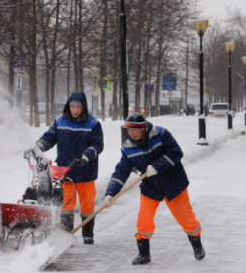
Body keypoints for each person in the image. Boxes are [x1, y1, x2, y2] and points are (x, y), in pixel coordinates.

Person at [104, 113, 205, 265]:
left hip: (173, 182)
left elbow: (176, 153)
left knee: (185, 217)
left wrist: (157, 166)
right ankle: (144, 253)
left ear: (142, 127)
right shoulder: (128, 148)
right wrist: (110, 192)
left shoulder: (161, 134)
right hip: (151, 186)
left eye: (133, 130)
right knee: (143, 219)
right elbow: (121, 171)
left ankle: (197, 245)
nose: (130, 133)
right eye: (128, 130)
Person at [25, 91, 104, 244]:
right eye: (72, 106)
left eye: (78, 107)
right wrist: (37, 148)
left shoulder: (93, 124)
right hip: (66, 172)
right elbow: (48, 138)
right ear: (69, 106)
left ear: (84, 108)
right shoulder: (60, 121)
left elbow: (97, 145)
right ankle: (66, 235)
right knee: (66, 206)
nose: (75, 110)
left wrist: (87, 155)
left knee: (87, 206)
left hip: (86, 172)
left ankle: (88, 235)